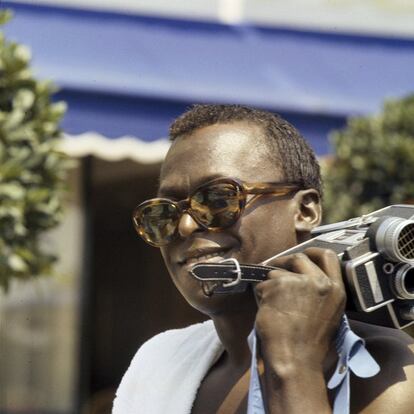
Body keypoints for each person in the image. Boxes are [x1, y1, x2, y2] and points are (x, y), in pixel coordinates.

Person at [112, 104, 414, 413]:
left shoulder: (391, 373)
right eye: (164, 212)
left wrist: (293, 365)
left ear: (304, 211)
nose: (186, 226)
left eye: (219, 199)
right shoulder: (161, 361)